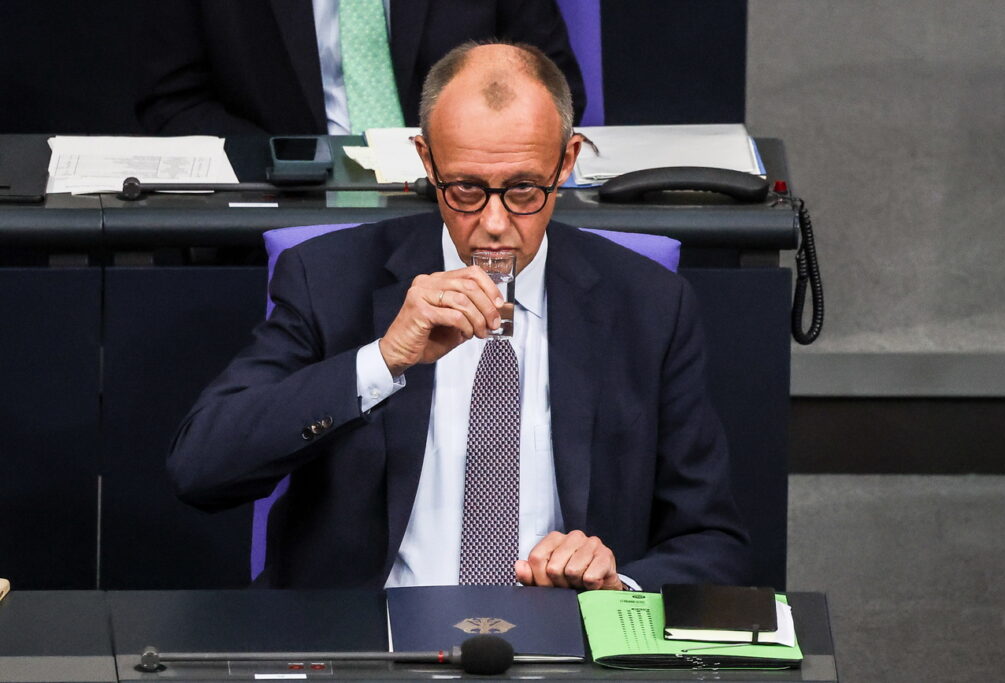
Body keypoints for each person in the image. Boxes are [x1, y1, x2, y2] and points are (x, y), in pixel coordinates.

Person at [168, 41, 751, 591]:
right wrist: (382, 360)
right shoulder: (329, 280)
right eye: (467, 189)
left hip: (562, 636)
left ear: (566, 162)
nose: (494, 224)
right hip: (371, 636)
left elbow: (711, 540)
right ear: (427, 160)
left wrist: (616, 586)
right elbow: (200, 468)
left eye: (524, 190)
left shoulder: (650, 304)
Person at [135, 0, 587, 135]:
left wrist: (463, 165)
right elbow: (173, 103)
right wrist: (285, 166)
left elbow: (553, 87)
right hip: (277, 221)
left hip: (459, 208)